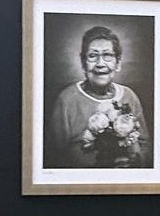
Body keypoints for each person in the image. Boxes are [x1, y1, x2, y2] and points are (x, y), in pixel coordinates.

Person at [47, 26, 151, 168]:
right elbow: (54, 156)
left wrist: (135, 162)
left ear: (118, 63)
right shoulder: (66, 99)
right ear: (83, 64)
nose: (100, 64)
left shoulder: (129, 96)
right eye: (92, 56)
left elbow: (145, 146)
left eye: (107, 55)